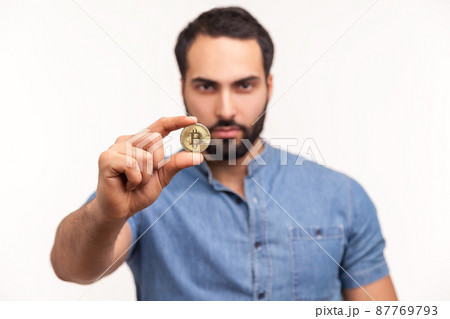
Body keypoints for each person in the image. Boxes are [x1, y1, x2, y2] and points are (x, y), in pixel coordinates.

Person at [50, 6, 398, 301]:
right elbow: (71, 269)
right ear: (183, 87)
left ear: (268, 86)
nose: (226, 109)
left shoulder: (344, 196)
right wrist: (106, 215)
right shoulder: (142, 188)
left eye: (244, 85)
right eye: (206, 86)